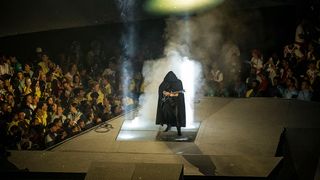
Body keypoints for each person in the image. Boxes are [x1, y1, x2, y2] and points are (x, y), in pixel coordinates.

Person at [156, 71, 186, 136]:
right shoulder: (165, 82)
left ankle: (179, 130)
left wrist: (171, 94)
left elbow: (179, 94)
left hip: (176, 104)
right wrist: (164, 93)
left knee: (177, 117)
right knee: (167, 116)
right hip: (167, 103)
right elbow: (161, 90)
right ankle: (168, 126)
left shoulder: (178, 82)